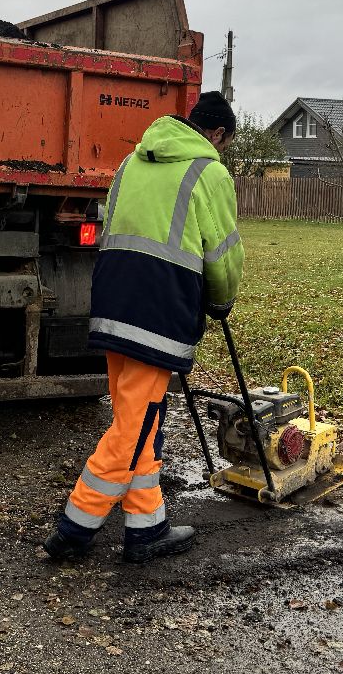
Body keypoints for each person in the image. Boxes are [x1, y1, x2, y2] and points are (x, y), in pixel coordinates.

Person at [43, 91, 244, 564]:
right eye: (226, 143)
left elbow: (111, 224)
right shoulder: (208, 172)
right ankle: (75, 527)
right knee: (134, 428)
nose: (223, 152)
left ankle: (146, 526)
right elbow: (223, 253)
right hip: (159, 308)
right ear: (215, 134)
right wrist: (221, 301)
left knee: (139, 419)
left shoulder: (132, 161)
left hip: (114, 298)